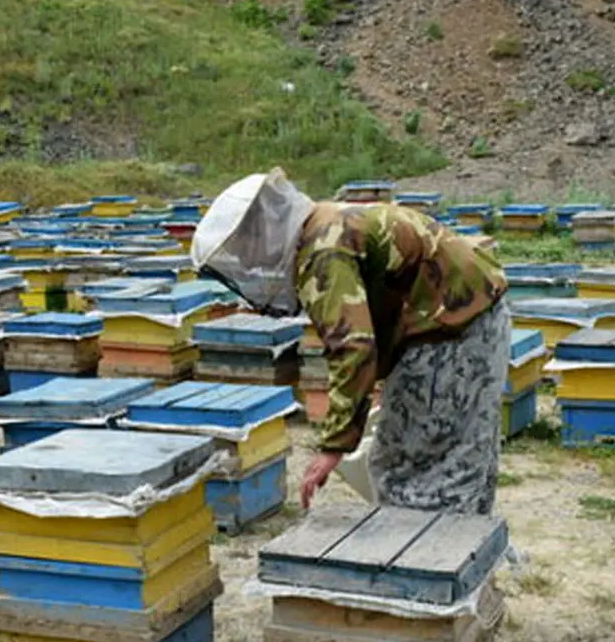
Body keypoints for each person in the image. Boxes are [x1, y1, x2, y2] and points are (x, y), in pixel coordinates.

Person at [190, 168, 510, 516]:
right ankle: (453, 558)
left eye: (246, 248)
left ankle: (430, 560)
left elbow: (353, 347)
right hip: (465, 321)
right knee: (454, 457)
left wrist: (333, 446)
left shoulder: (323, 251)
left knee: (422, 473)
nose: (248, 260)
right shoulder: (327, 223)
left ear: (264, 231)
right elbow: (375, 318)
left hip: (454, 333)